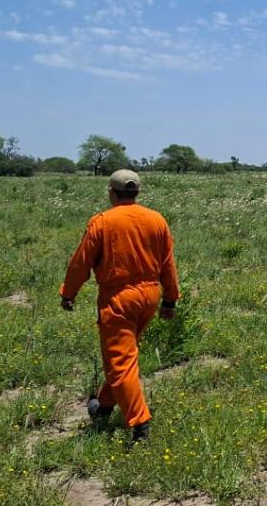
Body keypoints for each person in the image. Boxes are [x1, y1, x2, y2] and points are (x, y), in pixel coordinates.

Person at [59, 170, 180, 443]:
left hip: (118, 298)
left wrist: (68, 293)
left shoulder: (102, 221)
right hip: (149, 296)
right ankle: (102, 407)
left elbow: (81, 263)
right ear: (137, 193)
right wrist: (170, 299)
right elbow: (168, 264)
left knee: (121, 362)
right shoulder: (156, 219)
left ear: (111, 193)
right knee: (123, 356)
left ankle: (140, 424)